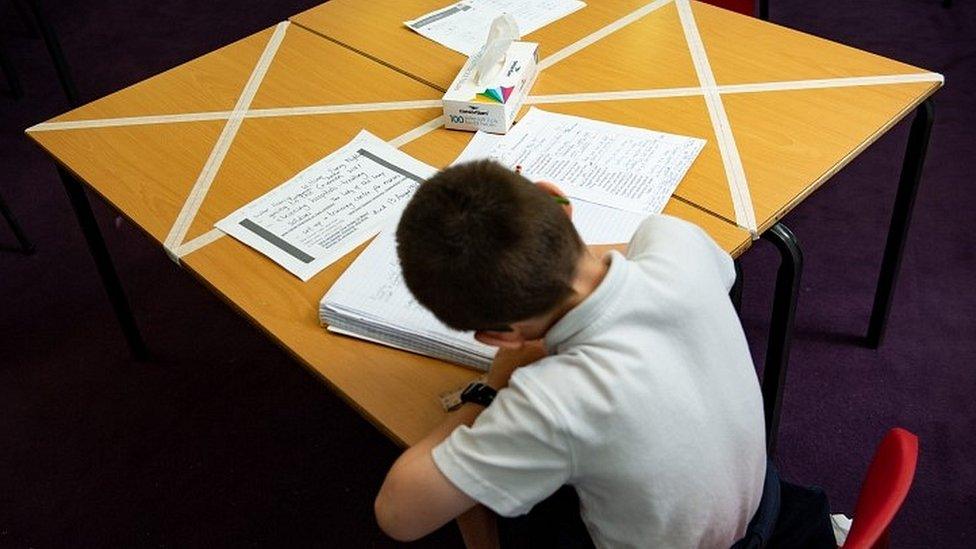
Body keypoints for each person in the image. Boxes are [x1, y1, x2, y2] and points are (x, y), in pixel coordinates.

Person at [374, 159, 767, 548]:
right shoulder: (673, 239)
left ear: (499, 338)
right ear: (558, 198)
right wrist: (540, 247)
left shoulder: (551, 401)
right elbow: (715, 272)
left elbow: (397, 515)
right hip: (765, 506)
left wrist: (491, 389)